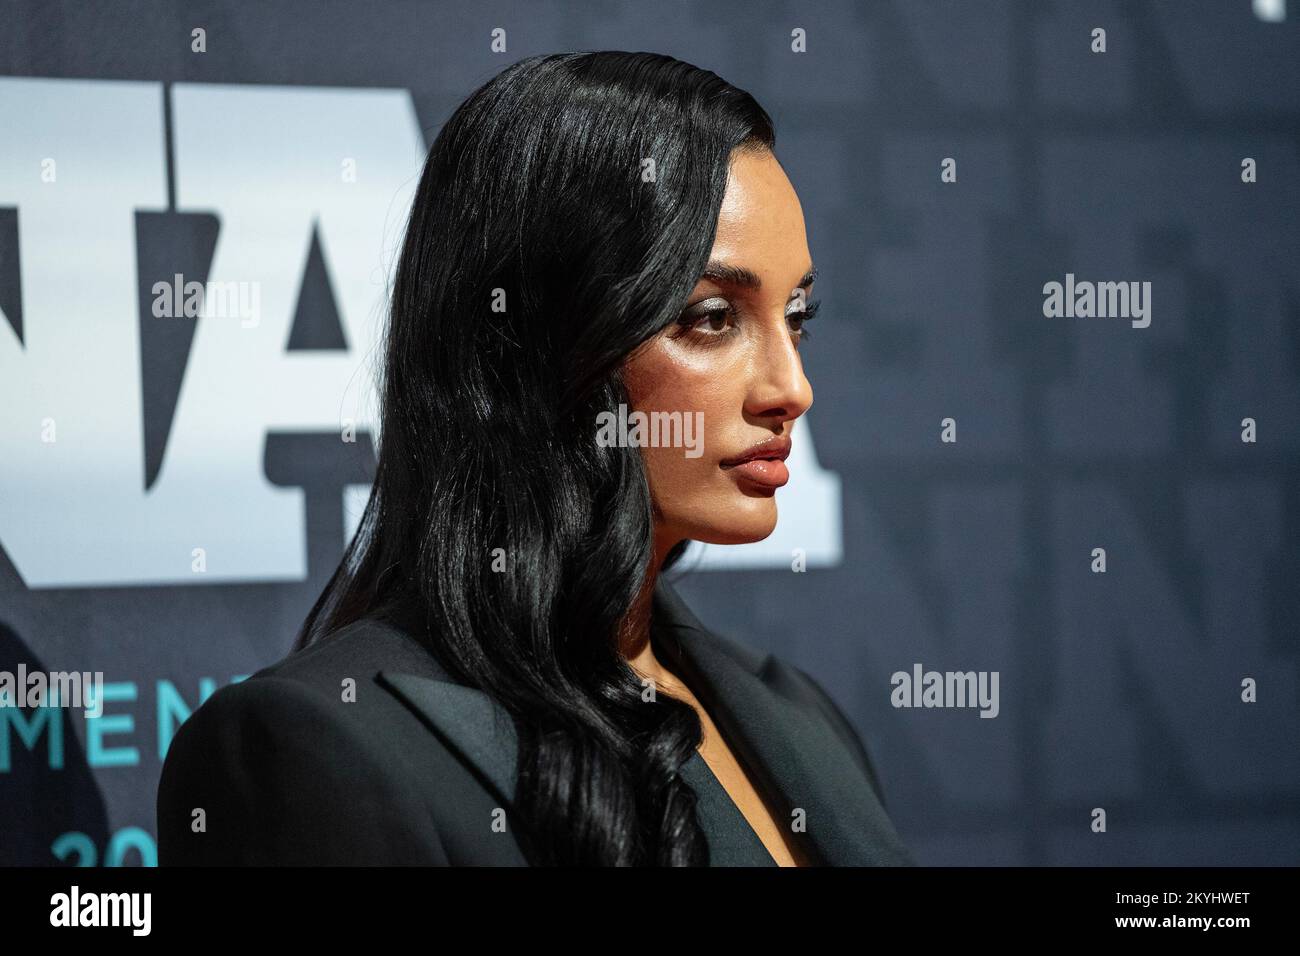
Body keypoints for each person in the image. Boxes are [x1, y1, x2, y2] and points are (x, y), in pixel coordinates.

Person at [156, 50, 914, 867]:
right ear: (529, 347)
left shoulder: (798, 716)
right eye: (711, 316)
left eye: (797, 315)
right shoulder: (309, 751)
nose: (790, 386)